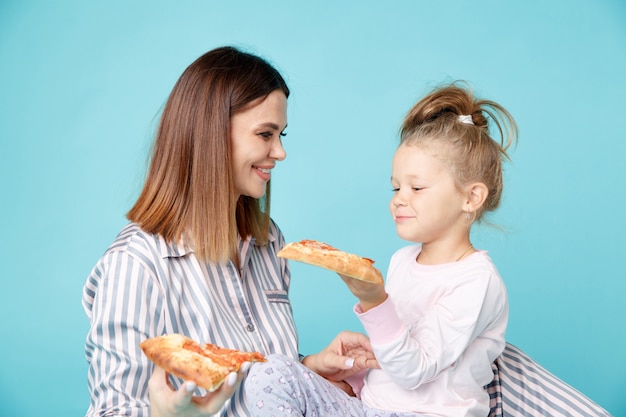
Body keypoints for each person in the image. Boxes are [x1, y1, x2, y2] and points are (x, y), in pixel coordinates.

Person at [81, 46, 378, 417]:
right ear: (211, 134)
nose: (280, 152)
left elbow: (258, 383)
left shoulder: (268, 242)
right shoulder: (135, 264)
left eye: (281, 134)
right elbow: (115, 410)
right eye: (266, 134)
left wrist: (310, 367)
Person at [242, 82, 518, 417]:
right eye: (396, 187)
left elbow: (414, 371)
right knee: (270, 372)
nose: (399, 198)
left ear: (471, 197)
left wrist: (375, 301)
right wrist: (356, 378)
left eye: (417, 187)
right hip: (371, 408)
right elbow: (395, 362)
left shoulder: (476, 281)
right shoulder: (404, 261)